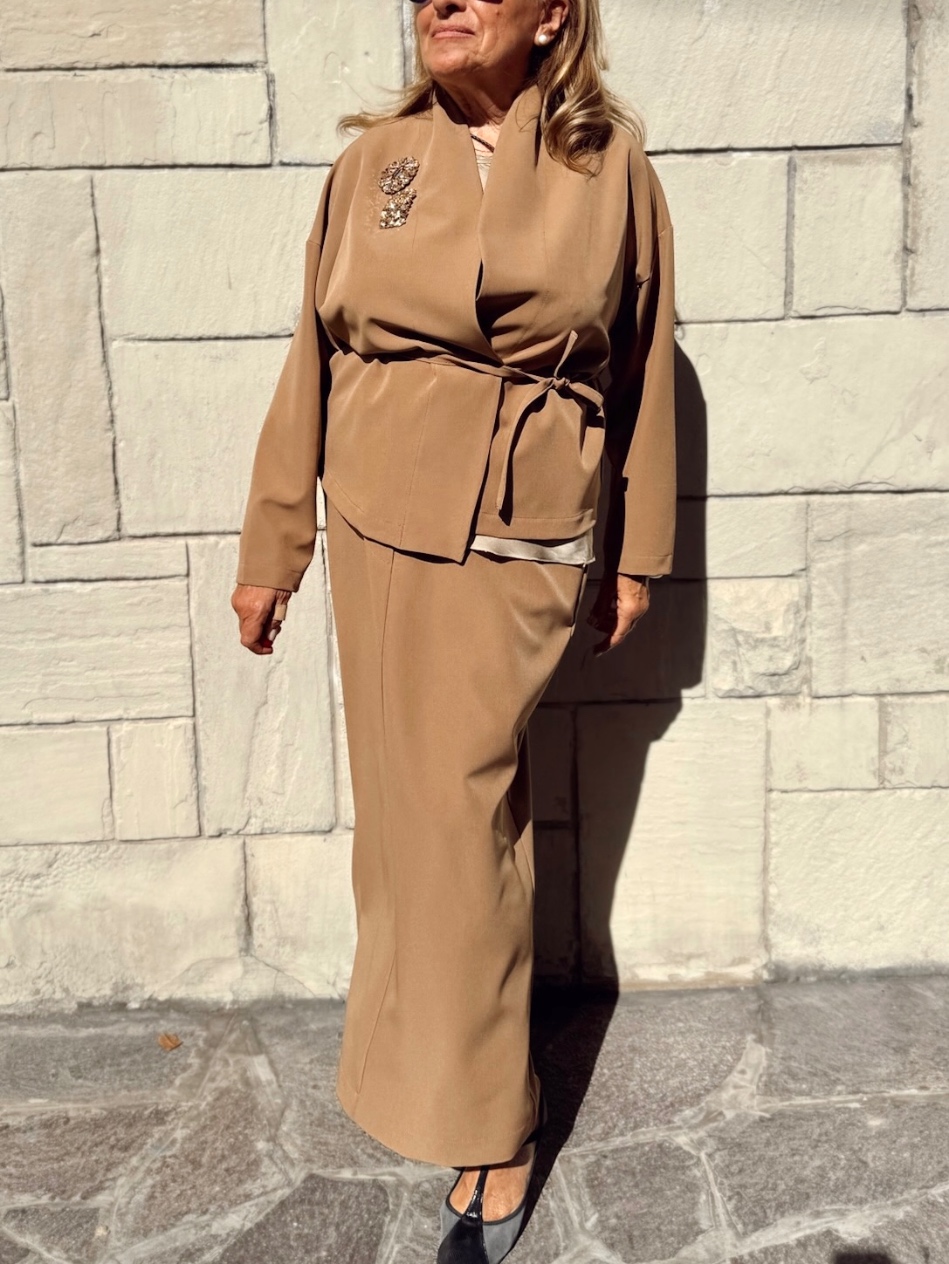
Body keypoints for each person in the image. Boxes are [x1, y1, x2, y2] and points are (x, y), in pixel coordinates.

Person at [230, 0, 675, 1259]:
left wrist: (636, 550)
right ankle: (434, 1075)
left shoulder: (610, 166)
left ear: (552, 17)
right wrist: (274, 544)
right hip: (377, 515)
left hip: (523, 525)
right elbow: (313, 359)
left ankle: (489, 1118)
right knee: (415, 816)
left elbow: (641, 362)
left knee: (459, 807)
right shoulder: (374, 161)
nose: (444, 1)